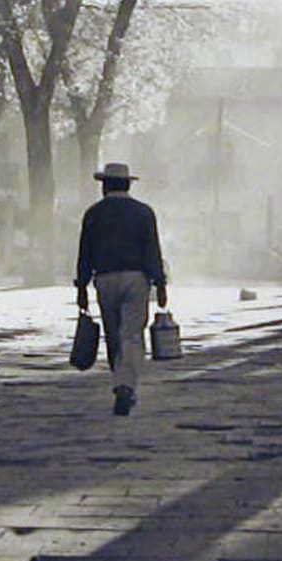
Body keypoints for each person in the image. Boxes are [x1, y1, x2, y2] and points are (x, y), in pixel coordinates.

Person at [74, 162, 167, 415]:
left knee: (114, 334)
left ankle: (121, 381)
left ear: (105, 186)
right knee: (132, 335)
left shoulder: (94, 213)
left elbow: (85, 253)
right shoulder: (143, 213)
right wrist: (160, 282)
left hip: (104, 279)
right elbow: (152, 250)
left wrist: (81, 286)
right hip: (137, 279)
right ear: (127, 185)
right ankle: (125, 385)